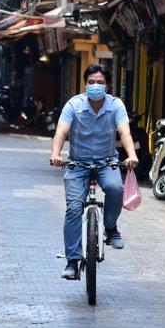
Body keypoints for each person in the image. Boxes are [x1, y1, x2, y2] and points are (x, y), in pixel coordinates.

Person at [50, 64, 138, 279]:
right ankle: (72, 261)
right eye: (91, 82)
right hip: (77, 163)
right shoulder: (74, 104)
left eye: (100, 82)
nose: (95, 86)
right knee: (73, 209)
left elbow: (124, 131)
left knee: (115, 188)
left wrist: (131, 154)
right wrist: (56, 154)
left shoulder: (116, 105)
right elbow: (61, 131)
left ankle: (110, 227)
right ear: (85, 84)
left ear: (107, 85)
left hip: (106, 162)